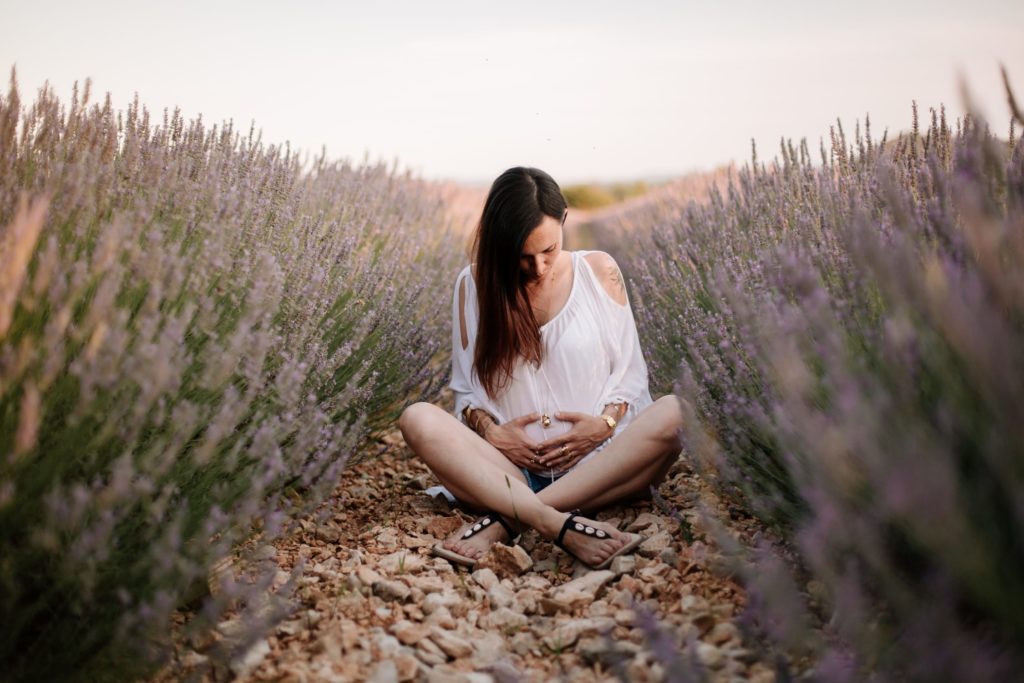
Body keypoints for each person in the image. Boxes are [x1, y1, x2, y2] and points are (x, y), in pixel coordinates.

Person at [399, 166, 684, 570]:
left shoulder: (599, 271)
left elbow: (631, 377)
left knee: (676, 412)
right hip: (506, 471)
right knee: (417, 419)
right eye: (523, 256)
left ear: (564, 219)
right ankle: (553, 520)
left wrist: (601, 426)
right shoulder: (473, 285)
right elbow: (465, 392)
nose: (538, 267)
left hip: (601, 463)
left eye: (548, 250)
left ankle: (509, 518)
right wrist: (494, 433)